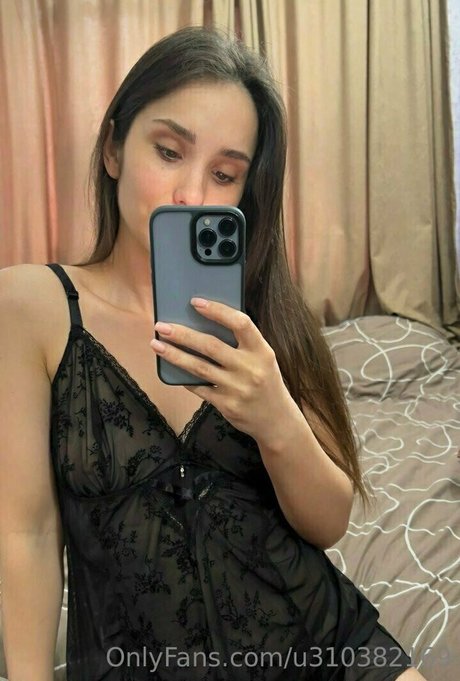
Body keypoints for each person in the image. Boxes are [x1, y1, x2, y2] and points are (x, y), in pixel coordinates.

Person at [0, 26, 428, 681]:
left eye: (224, 174)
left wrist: (275, 416)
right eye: (169, 151)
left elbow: (328, 523)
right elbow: (25, 532)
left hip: (326, 646)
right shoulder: (31, 306)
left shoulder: (266, 315)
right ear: (113, 148)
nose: (192, 195)